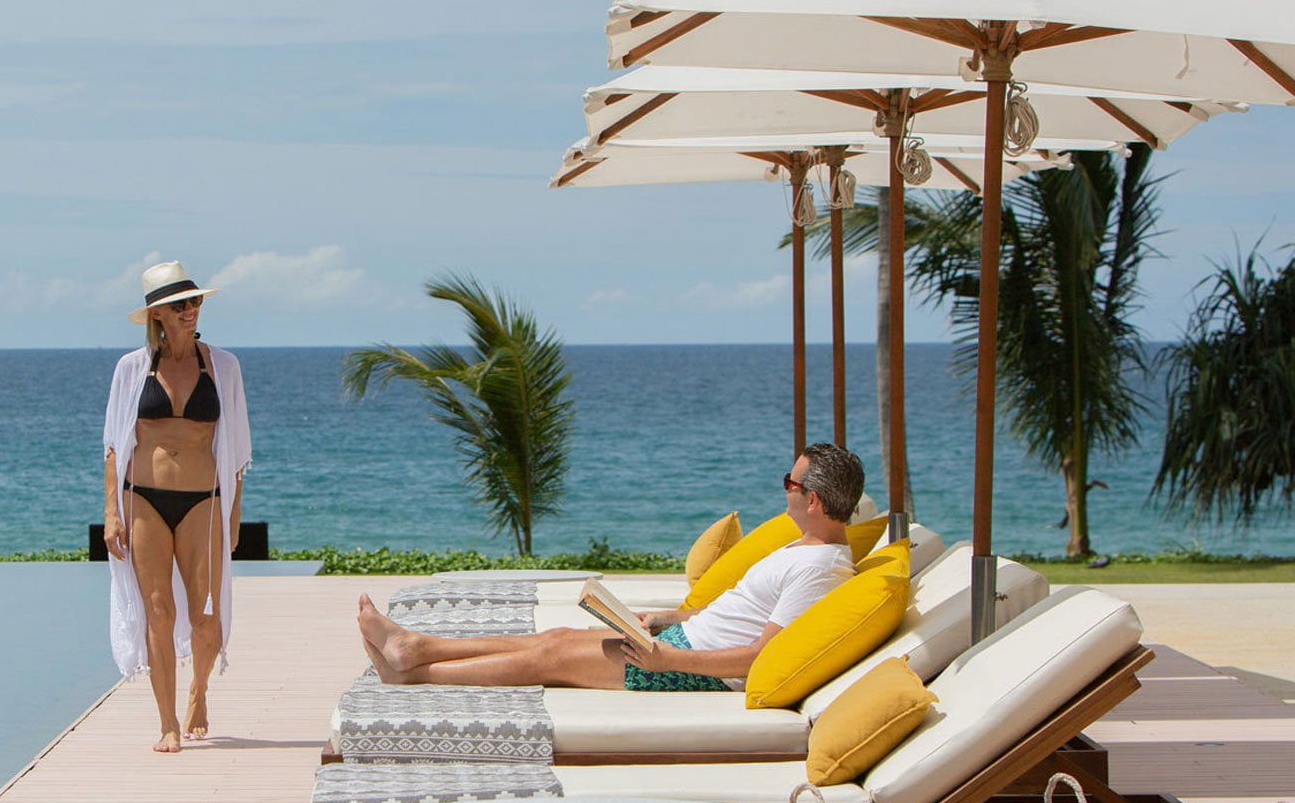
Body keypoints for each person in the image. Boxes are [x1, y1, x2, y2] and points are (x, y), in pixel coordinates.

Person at [357, 444, 865, 691]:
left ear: (813, 499)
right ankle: (417, 649)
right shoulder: (803, 550)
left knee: (550, 657)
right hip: (684, 645)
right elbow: (738, 611)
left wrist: (670, 659)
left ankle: (416, 676)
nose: (784, 489)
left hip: (697, 672)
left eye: (790, 482)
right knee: (556, 636)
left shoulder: (820, 568)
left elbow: (759, 657)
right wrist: (666, 618)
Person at [102, 261, 252, 752]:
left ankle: (199, 690)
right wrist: (111, 514)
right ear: (158, 315)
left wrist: (234, 514)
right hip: (142, 498)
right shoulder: (131, 368)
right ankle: (167, 722)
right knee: (158, 611)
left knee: (206, 615)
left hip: (203, 501)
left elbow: (238, 449)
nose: (190, 311)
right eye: (179, 305)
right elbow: (112, 445)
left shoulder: (223, 366)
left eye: (195, 302)